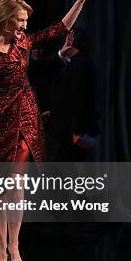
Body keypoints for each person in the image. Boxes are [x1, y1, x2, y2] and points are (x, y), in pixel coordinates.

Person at [0, 0, 90, 261]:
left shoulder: (24, 42)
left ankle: (15, 245)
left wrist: (80, 0)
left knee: (18, 183)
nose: (25, 26)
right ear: (5, 20)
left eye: (26, 21)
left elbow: (59, 29)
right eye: (20, 20)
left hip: (25, 114)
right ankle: (1, 247)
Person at [47, 28, 99, 162]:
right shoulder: (78, 63)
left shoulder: (79, 65)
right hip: (71, 130)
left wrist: (76, 132)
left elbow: (79, 99)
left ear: (70, 40)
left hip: (72, 132)